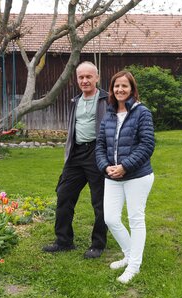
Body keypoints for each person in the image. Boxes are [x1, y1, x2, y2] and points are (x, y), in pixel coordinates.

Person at [42, 61, 108, 259]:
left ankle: (98, 244)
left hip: (97, 153)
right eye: (81, 77)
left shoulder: (107, 100)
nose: (85, 80)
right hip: (76, 154)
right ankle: (63, 241)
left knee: (100, 202)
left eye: (89, 77)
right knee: (64, 195)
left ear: (96, 78)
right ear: (77, 79)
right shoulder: (75, 101)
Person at [95, 70, 155, 283]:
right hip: (112, 176)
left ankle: (134, 266)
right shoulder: (109, 114)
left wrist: (125, 166)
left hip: (137, 175)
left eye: (124, 86)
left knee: (136, 219)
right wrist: (105, 167)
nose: (120, 90)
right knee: (110, 217)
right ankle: (129, 255)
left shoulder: (142, 112)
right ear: (111, 90)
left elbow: (147, 144)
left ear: (132, 89)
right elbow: (100, 145)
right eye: (116, 86)